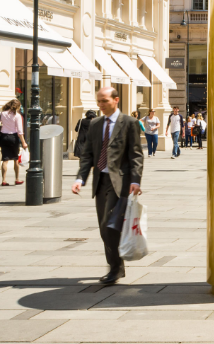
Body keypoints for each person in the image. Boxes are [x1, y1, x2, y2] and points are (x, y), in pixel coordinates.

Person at [71, 86, 144, 285]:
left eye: (105, 101)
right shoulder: (95, 124)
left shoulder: (129, 123)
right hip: (100, 181)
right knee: (104, 227)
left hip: (120, 182)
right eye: (99, 101)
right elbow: (87, 154)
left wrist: (135, 180)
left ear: (116, 100)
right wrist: (80, 179)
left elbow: (136, 154)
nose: (101, 104)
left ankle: (115, 269)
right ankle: (116, 265)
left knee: (109, 225)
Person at [0, 99, 27, 186]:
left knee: (5, 160)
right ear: (17, 107)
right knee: (15, 159)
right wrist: (23, 142)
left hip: (3, 137)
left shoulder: (2, 113)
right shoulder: (17, 116)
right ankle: (17, 179)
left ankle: (4, 180)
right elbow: (20, 131)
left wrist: (3, 126)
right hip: (13, 138)